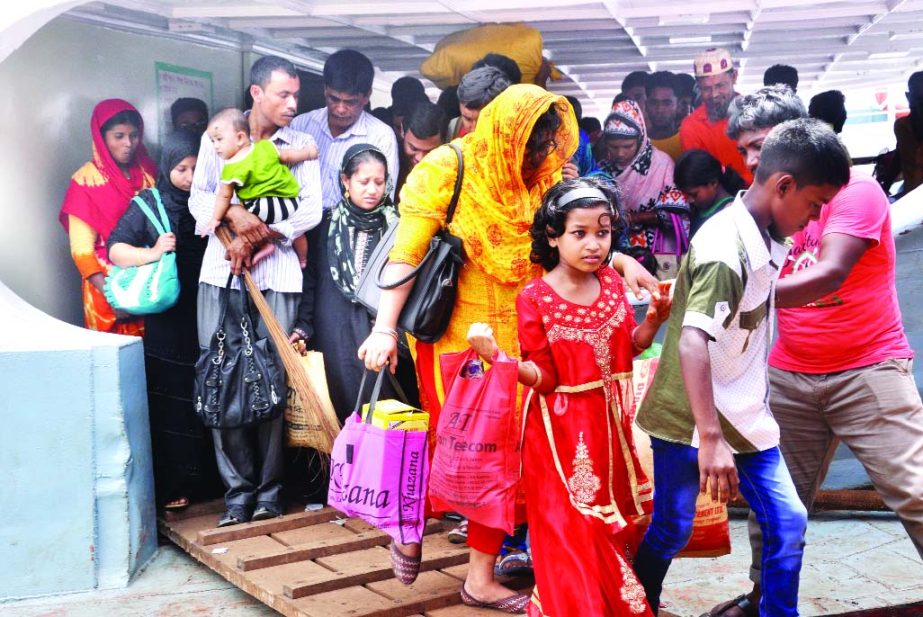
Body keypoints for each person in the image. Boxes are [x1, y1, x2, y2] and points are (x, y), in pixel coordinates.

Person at [357, 85, 659, 612]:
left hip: (525, 338)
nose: (541, 157)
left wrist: (619, 261)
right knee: (465, 454)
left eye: (546, 146)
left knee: (512, 462)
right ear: (504, 133)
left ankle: (480, 577)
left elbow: (562, 239)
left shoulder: (541, 174)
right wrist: (384, 329)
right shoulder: (446, 170)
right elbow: (405, 253)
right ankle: (410, 526)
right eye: (531, 146)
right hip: (461, 344)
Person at [706, 84, 923, 617]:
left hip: (869, 368)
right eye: (744, 151)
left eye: (760, 145)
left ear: (793, 135)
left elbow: (828, 274)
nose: (752, 160)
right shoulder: (761, 208)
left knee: (916, 492)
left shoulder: (854, 192)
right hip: (788, 375)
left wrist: (732, 294)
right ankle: (765, 598)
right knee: (773, 506)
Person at [633, 117, 851, 617]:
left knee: (789, 521)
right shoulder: (722, 249)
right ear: (784, 186)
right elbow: (691, 341)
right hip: (689, 416)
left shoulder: (769, 231)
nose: (814, 218)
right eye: (814, 205)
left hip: (745, 412)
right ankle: (637, 605)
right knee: (672, 526)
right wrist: (710, 437)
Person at [466, 176, 671, 616]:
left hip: (611, 426)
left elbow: (629, 346)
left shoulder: (613, 284)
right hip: (559, 432)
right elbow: (543, 376)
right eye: (580, 233)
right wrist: (497, 357)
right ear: (553, 236)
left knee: (614, 521)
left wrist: (654, 320)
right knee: (575, 526)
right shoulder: (535, 298)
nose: (594, 244)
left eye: (603, 232)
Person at [189, 55, 322, 528]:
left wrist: (262, 231)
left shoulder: (301, 143)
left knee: (272, 379)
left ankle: (269, 490)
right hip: (221, 274)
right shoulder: (220, 134)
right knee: (220, 375)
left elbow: (311, 210)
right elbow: (199, 194)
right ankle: (236, 493)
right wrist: (234, 218)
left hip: (279, 274)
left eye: (296, 96)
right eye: (283, 94)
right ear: (256, 94)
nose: (292, 104)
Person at [107, 131, 216, 511]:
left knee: (210, 392)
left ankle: (212, 483)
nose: (188, 176)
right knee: (172, 400)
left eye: (194, 167)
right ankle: (176, 485)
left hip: (208, 313)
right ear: (166, 166)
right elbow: (116, 249)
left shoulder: (214, 201)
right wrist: (153, 252)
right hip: (168, 321)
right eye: (180, 168)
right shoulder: (148, 202)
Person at [290, 144, 417, 425]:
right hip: (333, 331)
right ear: (345, 180)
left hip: (379, 331)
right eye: (363, 181)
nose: (372, 189)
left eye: (379, 182)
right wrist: (303, 325)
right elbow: (311, 280)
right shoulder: (324, 225)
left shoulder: (399, 227)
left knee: (383, 412)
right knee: (338, 410)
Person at [59, 98, 157, 336]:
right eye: (119, 136)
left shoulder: (148, 171)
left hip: (151, 283)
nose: (129, 144)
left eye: (134, 135)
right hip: (109, 288)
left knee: (155, 358)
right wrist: (114, 297)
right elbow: (82, 251)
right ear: (102, 138)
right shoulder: (84, 181)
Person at [203, 107, 318, 267]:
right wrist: (308, 153)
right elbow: (288, 156)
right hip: (289, 202)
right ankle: (303, 259)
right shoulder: (266, 147)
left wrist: (216, 218)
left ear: (240, 137)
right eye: (213, 141)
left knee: (241, 219)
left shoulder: (231, 168)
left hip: (262, 209)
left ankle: (264, 245)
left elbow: (224, 196)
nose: (215, 146)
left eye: (219, 140)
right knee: (297, 232)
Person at [291, 49, 399, 210]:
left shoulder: (381, 137)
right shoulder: (300, 126)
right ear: (325, 89)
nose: (340, 109)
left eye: (350, 102)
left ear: (367, 96)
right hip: (298, 229)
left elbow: (383, 201)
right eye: (333, 99)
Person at [596, 100, 689, 270]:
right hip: (617, 254)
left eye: (627, 146)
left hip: (657, 253)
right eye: (614, 147)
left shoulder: (661, 164)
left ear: (640, 139)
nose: (620, 153)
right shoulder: (602, 169)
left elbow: (677, 214)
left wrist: (636, 218)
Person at [679, 48, 752, 185]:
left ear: (734, 77)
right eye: (706, 89)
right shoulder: (691, 127)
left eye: (720, 85)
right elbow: (699, 179)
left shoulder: (758, 114)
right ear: (698, 86)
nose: (714, 94)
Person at [674, 149, 746, 237]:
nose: (689, 200)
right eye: (686, 195)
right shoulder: (699, 210)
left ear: (713, 183)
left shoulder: (731, 212)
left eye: (694, 194)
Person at [447, 66, 511, 139]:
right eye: (468, 119)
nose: (474, 130)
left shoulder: (521, 141)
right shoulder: (453, 130)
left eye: (483, 120)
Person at [398, 101, 447, 194]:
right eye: (414, 149)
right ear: (402, 131)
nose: (420, 158)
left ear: (443, 142)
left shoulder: (449, 173)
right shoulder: (389, 162)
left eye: (430, 151)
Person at [894, 71, 923, 194]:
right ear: (908, 97)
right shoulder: (901, 126)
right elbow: (899, 155)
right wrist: (884, 186)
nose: (920, 105)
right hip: (911, 196)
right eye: (918, 99)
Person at [647, 71, 682, 162]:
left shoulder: (687, 141)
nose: (659, 109)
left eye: (667, 103)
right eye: (654, 103)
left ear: (678, 106)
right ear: (646, 105)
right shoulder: (635, 144)